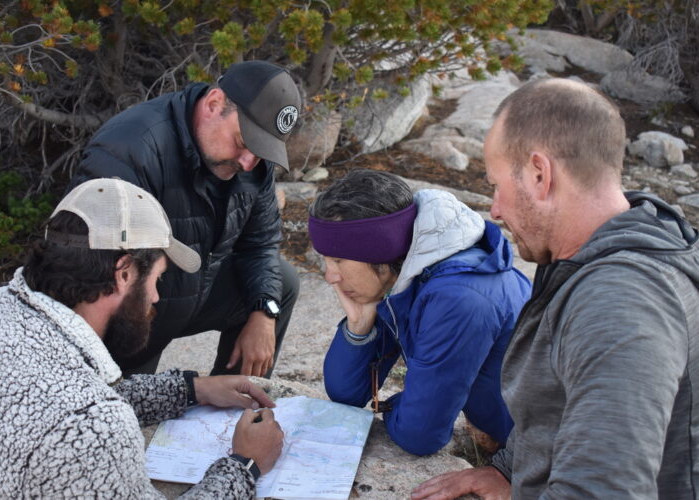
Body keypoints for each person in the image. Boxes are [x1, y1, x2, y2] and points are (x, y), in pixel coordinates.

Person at [412, 78, 699, 499]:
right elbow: (563, 402)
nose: (494, 209)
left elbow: (602, 491)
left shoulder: (620, 302)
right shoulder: (597, 252)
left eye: (496, 185)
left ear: (539, 173)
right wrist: (510, 470)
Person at [0, 178, 284, 498]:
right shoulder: (94, 427)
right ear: (124, 273)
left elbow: (57, 399)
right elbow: (80, 417)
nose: (155, 296)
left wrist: (192, 390)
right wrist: (245, 464)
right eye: (157, 278)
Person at [70, 60, 302, 377]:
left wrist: (264, 312)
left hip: (193, 291)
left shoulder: (250, 161)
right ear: (214, 104)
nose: (249, 163)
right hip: (133, 313)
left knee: (281, 285)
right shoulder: (130, 149)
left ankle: (235, 414)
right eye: (243, 143)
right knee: (128, 414)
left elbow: (260, 245)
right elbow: (97, 276)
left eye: (261, 151)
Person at [308, 169, 531, 456]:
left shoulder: (458, 298)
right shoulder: (409, 272)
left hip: (560, 457)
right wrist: (359, 327)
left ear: (379, 252)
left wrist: (396, 407)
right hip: (524, 442)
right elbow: (346, 394)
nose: (330, 277)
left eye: (337, 259)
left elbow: (420, 434)